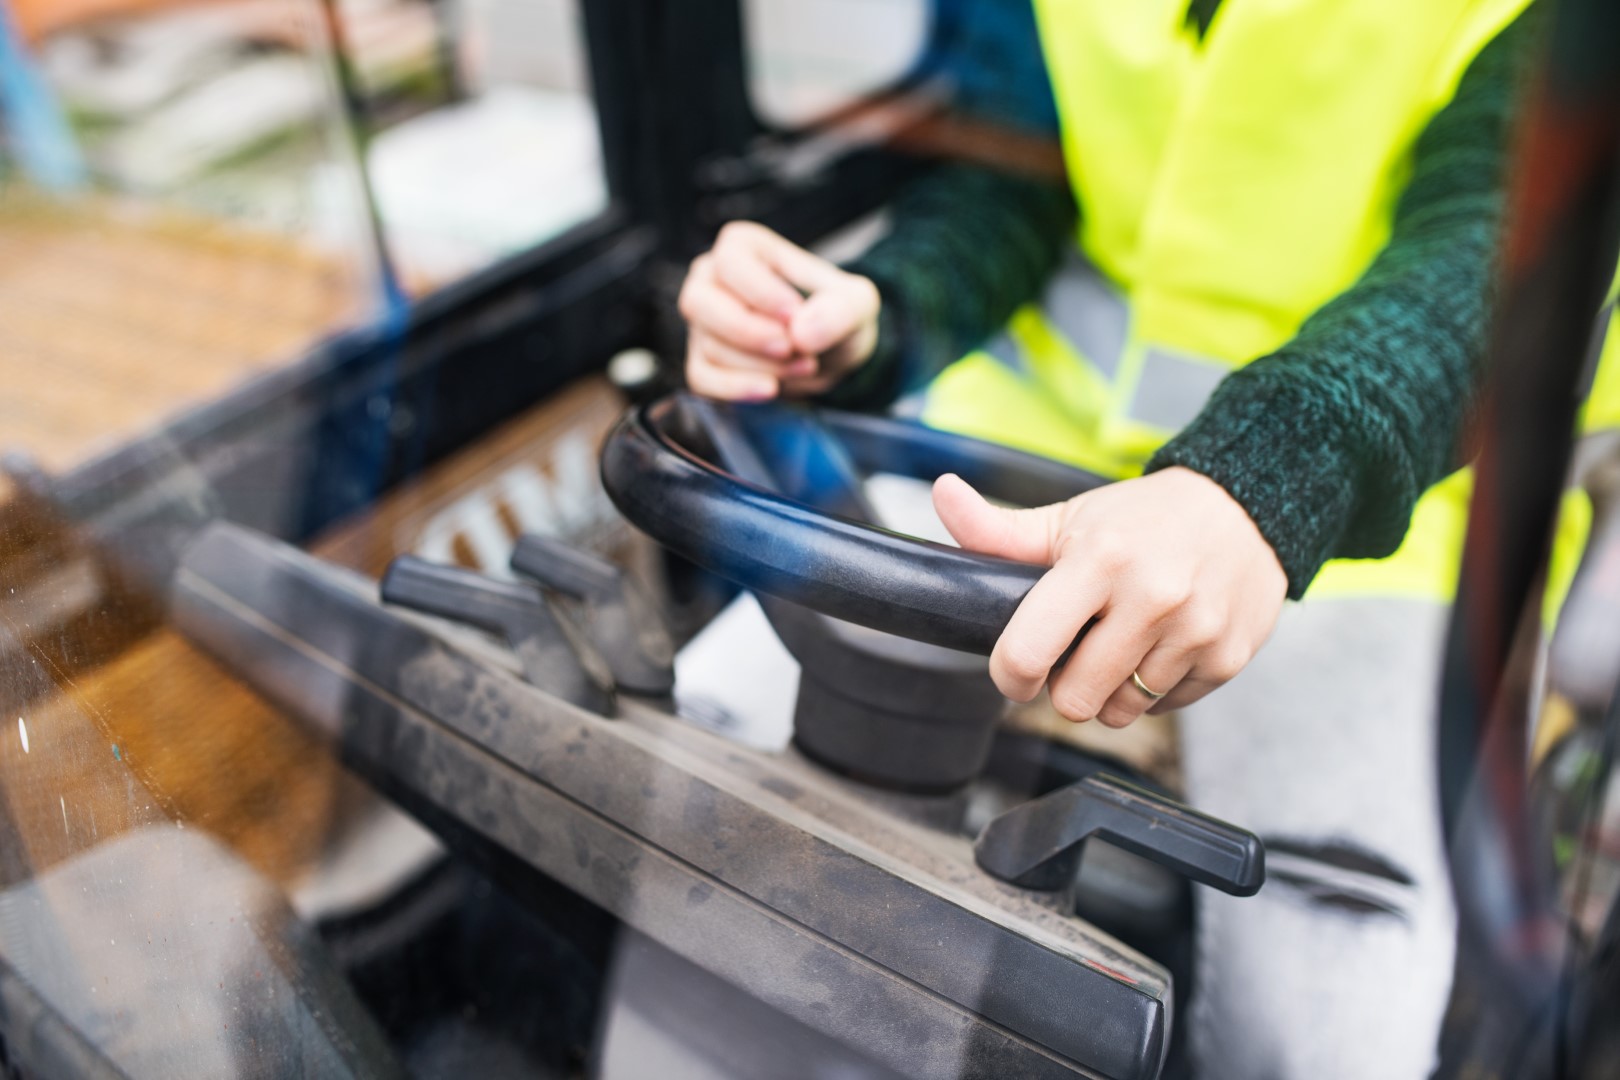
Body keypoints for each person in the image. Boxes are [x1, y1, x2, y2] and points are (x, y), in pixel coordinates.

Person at [676, 1, 1572, 1077]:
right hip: (1013, 455)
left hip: (1356, 511)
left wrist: (1263, 487)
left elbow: (1496, 254)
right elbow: (1009, 177)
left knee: (1331, 1018)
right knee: (703, 750)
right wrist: (874, 315)